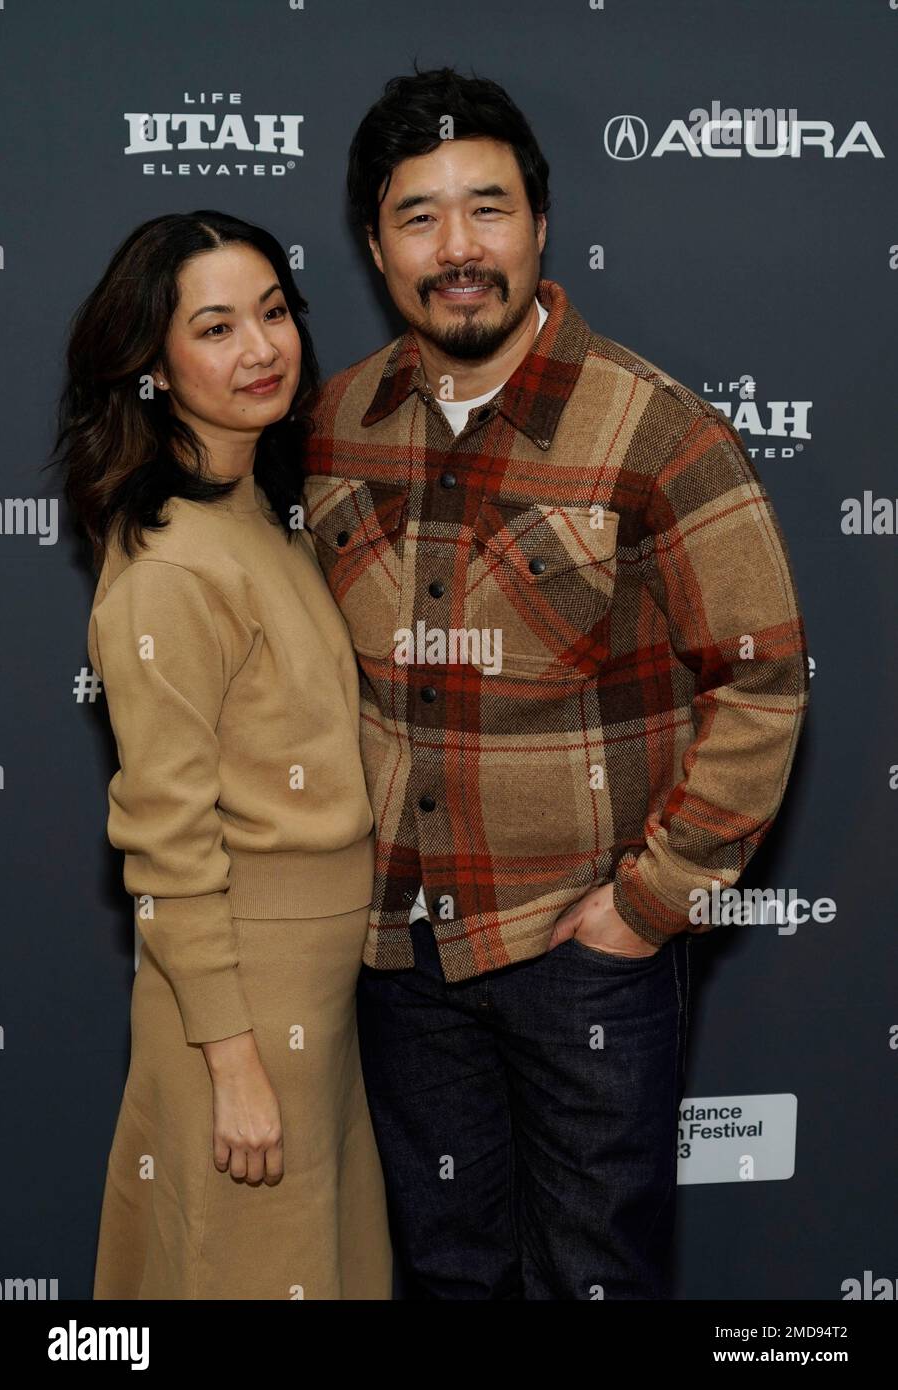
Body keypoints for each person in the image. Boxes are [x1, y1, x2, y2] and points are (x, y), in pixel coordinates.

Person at [303, 68, 810, 1300]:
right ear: (376, 246)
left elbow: (763, 682)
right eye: (419, 216)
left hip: (579, 946)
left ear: (539, 224)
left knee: (595, 1277)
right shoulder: (336, 423)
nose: (458, 248)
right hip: (399, 954)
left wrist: (645, 909)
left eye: (489, 208)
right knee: (446, 1271)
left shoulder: (654, 428)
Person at [53, 210, 391, 1300]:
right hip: (244, 1003)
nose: (261, 347)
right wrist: (234, 1061)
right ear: (149, 365)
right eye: (215, 327)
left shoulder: (258, 511)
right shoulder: (170, 568)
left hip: (311, 997)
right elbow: (165, 839)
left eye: (274, 311)